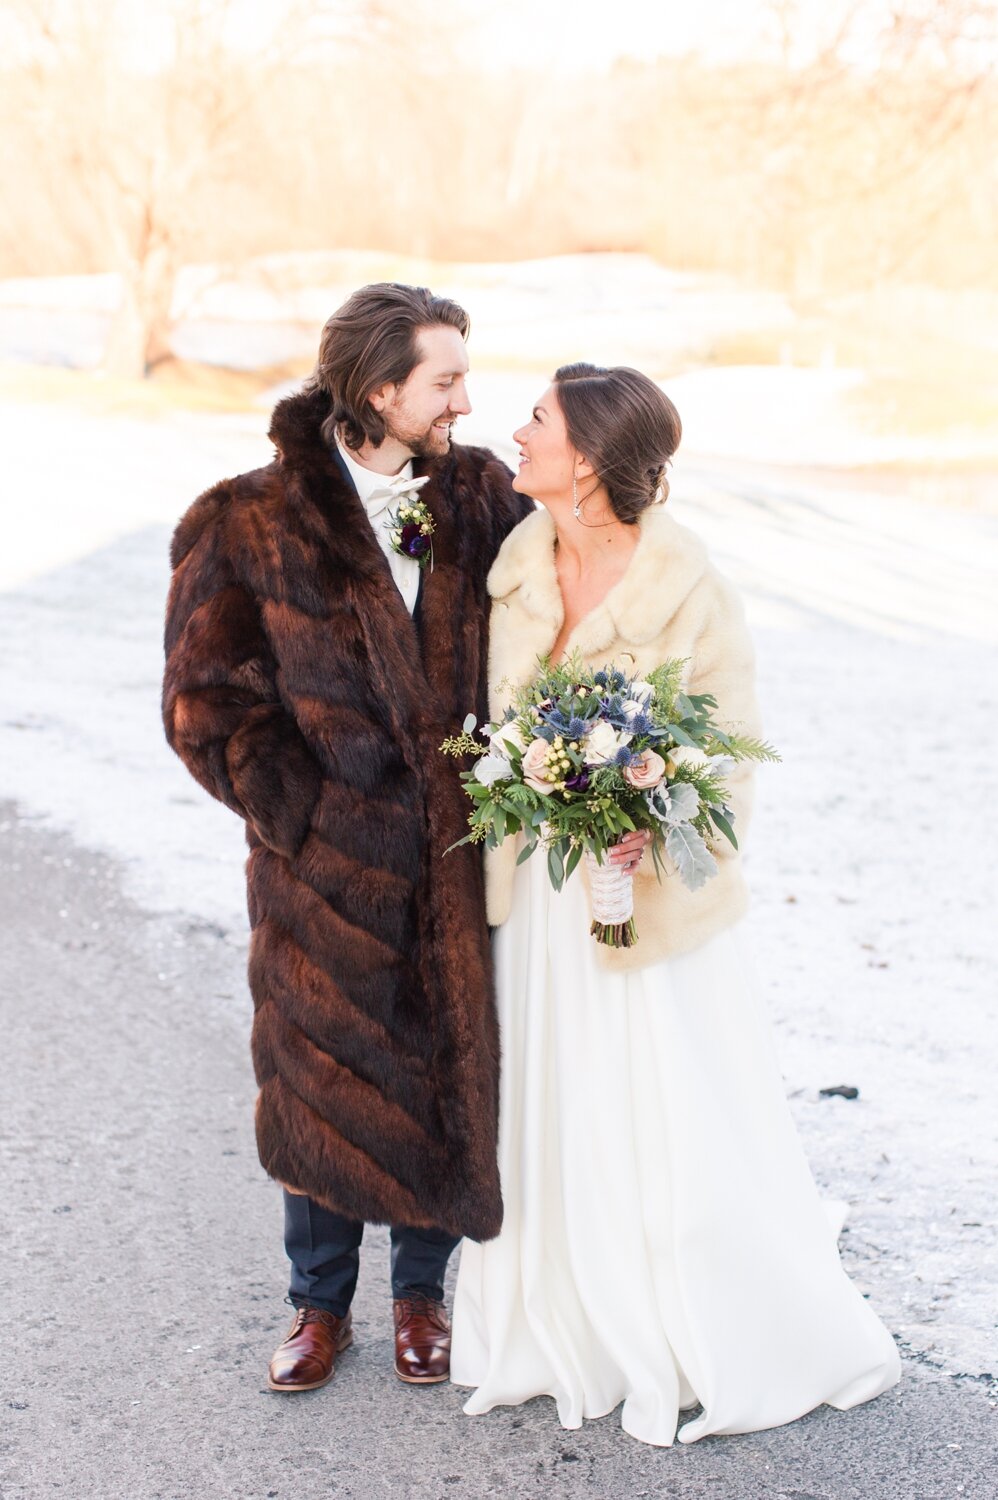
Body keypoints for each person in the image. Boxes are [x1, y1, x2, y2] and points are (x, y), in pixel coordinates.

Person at [450, 363, 901, 1445]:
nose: (517, 432)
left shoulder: (690, 589)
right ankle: (561, 1315)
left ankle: (694, 1313)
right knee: (552, 1111)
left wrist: (658, 832)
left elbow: (727, 763)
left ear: (590, 461)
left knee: (665, 1116)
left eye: (539, 422)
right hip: (539, 908)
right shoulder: (512, 569)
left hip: (648, 907)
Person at [161, 283, 551, 1393]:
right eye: (445, 381)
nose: (466, 401)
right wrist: (306, 816)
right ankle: (317, 1304)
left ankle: (422, 1295)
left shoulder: (483, 496)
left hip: (461, 852)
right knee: (323, 1072)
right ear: (380, 390)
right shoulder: (244, 519)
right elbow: (203, 701)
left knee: (442, 1066)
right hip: (323, 867)